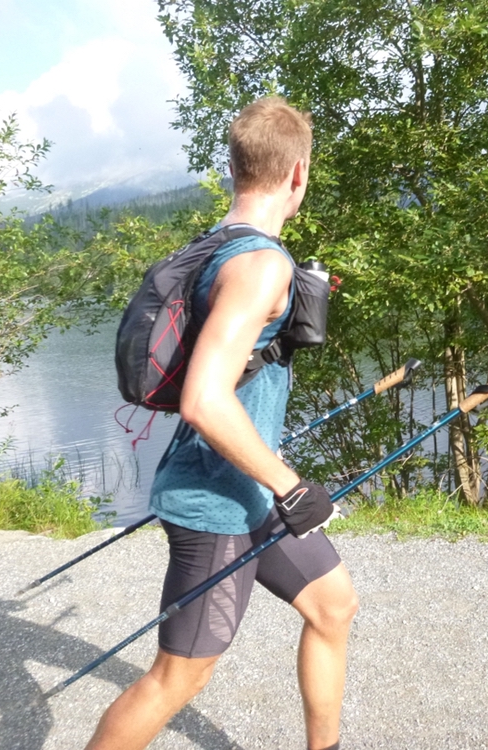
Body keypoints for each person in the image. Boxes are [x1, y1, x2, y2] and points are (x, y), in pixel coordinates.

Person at [86, 97, 357, 750]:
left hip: (251, 490)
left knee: (333, 606)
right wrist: (293, 486)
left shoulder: (217, 245)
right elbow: (204, 400)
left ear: (234, 168)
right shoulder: (261, 264)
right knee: (176, 678)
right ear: (299, 174)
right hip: (216, 503)